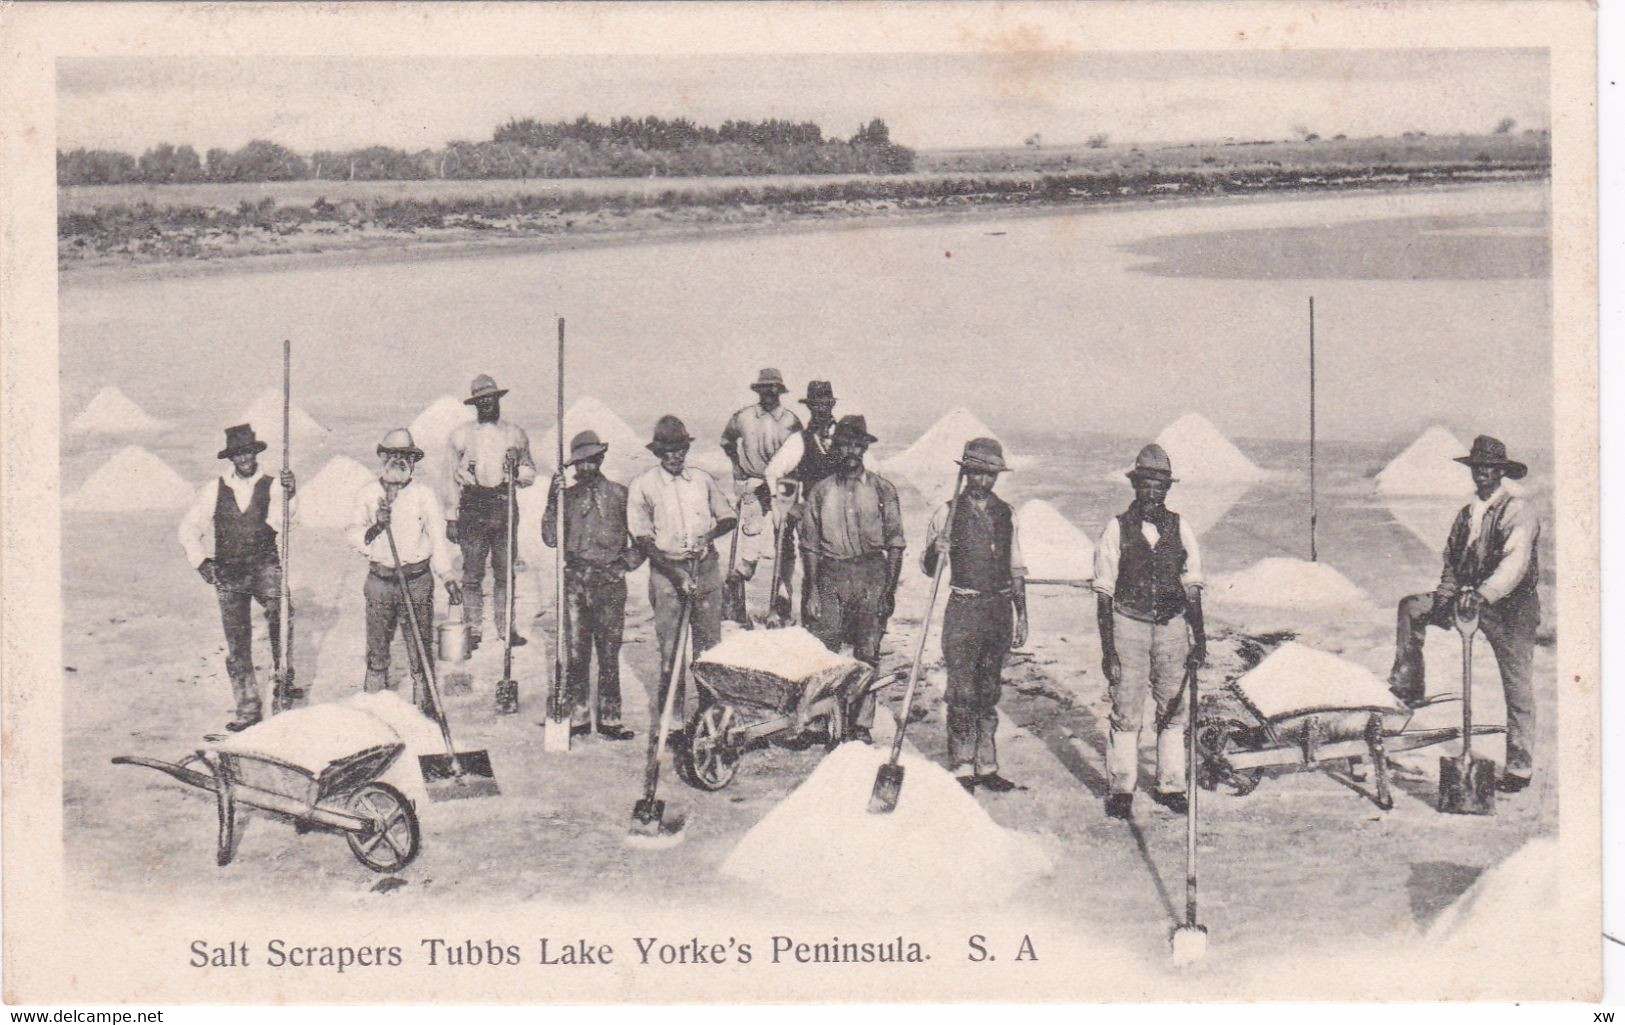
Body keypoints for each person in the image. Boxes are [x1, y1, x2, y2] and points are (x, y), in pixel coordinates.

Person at [1389, 435, 1540, 794]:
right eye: (1477, 467)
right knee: (1412, 607)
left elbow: (1513, 565)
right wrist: (1445, 598)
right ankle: (1409, 686)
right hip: (1466, 598)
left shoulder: (1518, 511)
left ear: (1501, 472)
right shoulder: (1465, 514)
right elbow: (1452, 563)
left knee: (1517, 684)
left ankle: (1520, 766)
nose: (1482, 474)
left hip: (1510, 608)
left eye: (1489, 467)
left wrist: (1484, 595)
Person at [1093, 443, 1205, 820]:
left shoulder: (1180, 526)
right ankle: (1121, 788)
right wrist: (1109, 650)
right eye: (1146, 484)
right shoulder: (1117, 528)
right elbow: (1104, 592)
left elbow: (1192, 584)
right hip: (1128, 625)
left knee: (1173, 708)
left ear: (1167, 489)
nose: (1153, 492)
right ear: (1135, 485)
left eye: (1160, 485)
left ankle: (1171, 784)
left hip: (1172, 626)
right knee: (1126, 709)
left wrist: (1198, 637)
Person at [921, 438, 1028, 793]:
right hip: (963, 608)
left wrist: (1021, 613)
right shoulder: (946, 512)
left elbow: (1015, 566)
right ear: (966, 472)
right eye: (978, 473)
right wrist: (938, 551)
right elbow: (928, 567)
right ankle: (962, 765)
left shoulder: (1006, 513)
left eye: (991, 474)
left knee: (989, 688)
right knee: (962, 689)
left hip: (998, 609)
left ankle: (987, 764)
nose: (984, 481)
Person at [178, 424, 298, 732]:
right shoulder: (213, 489)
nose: (244, 459)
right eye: (238, 454)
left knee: (282, 618)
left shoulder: (273, 486)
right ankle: (247, 708)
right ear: (231, 458)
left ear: (256, 453)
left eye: (248, 452)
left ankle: (283, 693)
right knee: (237, 642)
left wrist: (290, 494)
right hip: (229, 574)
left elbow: (286, 522)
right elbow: (189, 528)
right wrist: (202, 561)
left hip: (265, 567)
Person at [799, 415, 907, 741]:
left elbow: (896, 544)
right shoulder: (820, 492)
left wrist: (888, 591)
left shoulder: (882, 490)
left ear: (865, 448)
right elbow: (810, 547)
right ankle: (820, 720)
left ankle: (860, 724)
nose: (851, 451)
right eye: (844, 444)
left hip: (871, 574)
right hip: (831, 575)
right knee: (824, 650)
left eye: (857, 445)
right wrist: (814, 591)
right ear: (836, 447)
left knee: (867, 652)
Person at [627, 415, 737, 724]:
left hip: (705, 569)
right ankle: (672, 720)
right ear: (658, 452)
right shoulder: (644, 486)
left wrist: (710, 536)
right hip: (666, 572)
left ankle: (708, 720)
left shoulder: (701, 480)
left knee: (708, 651)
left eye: (680, 449)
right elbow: (644, 539)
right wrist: (675, 573)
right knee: (671, 653)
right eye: (669, 450)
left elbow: (728, 516)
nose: (675, 456)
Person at [349, 429, 460, 714]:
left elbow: (436, 538)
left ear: (413, 461)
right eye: (392, 455)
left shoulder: (424, 495)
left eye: (405, 457)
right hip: (380, 581)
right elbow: (353, 535)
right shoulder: (368, 494)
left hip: (416, 581)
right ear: (382, 457)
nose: (398, 461)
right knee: (377, 650)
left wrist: (447, 577)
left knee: (420, 647)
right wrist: (376, 526)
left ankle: (425, 710)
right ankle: (373, 711)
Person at [542, 430, 644, 741]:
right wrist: (551, 499)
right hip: (575, 581)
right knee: (576, 655)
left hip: (609, 583)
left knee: (609, 654)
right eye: (579, 463)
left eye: (590, 461)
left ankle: (611, 719)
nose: (585, 468)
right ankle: (579, 716)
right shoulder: (566, 497)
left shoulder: (620, 495)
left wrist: (625, 564)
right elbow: (549, 538)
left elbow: (641, 537)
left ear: (601, 459)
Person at [446, 374, 536, 649]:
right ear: (474, 403)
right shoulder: (460, 435)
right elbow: (449, 478)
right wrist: (451, 517)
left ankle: (506, 627)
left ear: (498, 399)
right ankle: (472, 628)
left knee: (505, 571)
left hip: (503, 503)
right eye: (480, 399)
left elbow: (531, 472)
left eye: (490, 398)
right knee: (472, 573)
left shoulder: (515, 434)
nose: (486, 404)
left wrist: (516, 469)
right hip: (472, 506)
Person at [720, 368, 802, 608]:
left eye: (774, 388)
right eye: (764, 388)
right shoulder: (743, 417)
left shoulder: (790, 420)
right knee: (751, 534)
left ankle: (782, 593)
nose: (769, 393)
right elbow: (727, 441)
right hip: (753, 481)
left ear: (780, 391)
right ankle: (737, 588)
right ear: (758, 390)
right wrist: (736, 465)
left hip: (783, 484)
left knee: (784, 537)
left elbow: (798, 455)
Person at [763, 380, 841, 623]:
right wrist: (789, 504)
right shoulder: (800, 440)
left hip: (842, 517)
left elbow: (874, 472)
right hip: (812, 517)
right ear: (810, 408)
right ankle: (812, 621)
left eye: (825, 403)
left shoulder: (846, 437)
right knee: (813, 568)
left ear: (832, 404)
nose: (822, 409)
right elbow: (773, 472)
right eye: (816, 405)